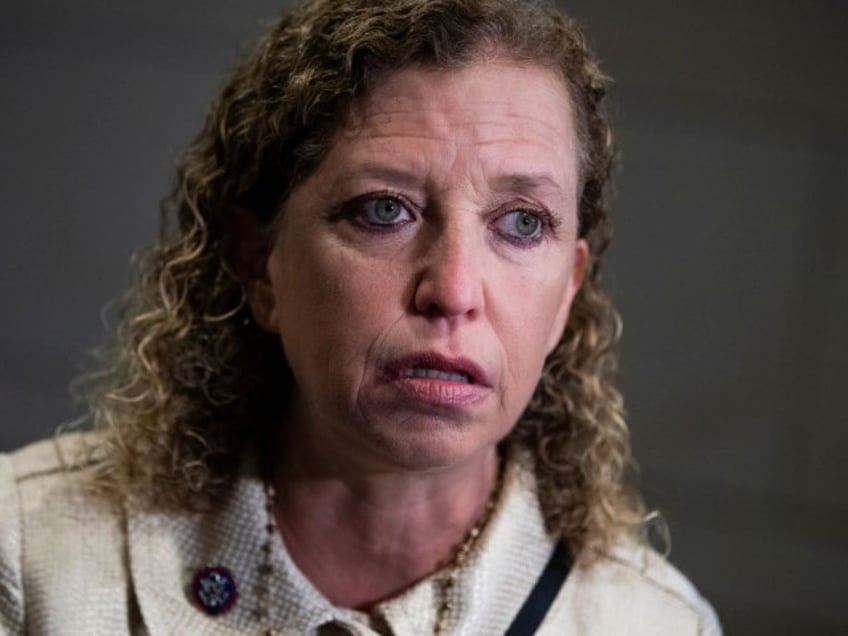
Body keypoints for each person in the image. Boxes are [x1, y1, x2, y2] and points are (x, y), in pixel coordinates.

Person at [0, 0, 721, 633]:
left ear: (568, 289)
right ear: (260, 262)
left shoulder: (654, 624)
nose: (453, 289)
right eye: (385, 210)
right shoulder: (31, 553)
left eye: (523, 223)